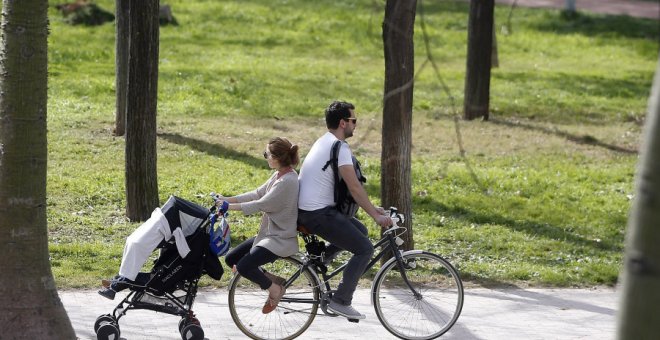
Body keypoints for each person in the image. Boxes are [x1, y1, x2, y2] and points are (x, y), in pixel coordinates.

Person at [297, 100, 392, 320]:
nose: (355, 125)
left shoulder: (323, 141)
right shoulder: (340, 147)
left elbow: (347, 190)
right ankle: (341, 300)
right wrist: (376, 216)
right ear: (342, 123)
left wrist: (373, 208)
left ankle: (322, 258)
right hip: (317, 214)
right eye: (353, 120)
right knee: (365, 249)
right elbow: (354, 187)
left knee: (360, 231)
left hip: (311, 211)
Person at [221, 137, 300, 314]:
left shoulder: (288, 181)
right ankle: (273, 279)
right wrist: (226, 199)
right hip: (269, 235)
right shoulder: (279, 175)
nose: (265, 157)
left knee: (243, 266)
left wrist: (229, 207)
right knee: (231, 258)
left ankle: (274, 289)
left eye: (267, 154)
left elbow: (261, 204)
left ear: (278, 157)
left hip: (280, 238)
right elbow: (256, 193)